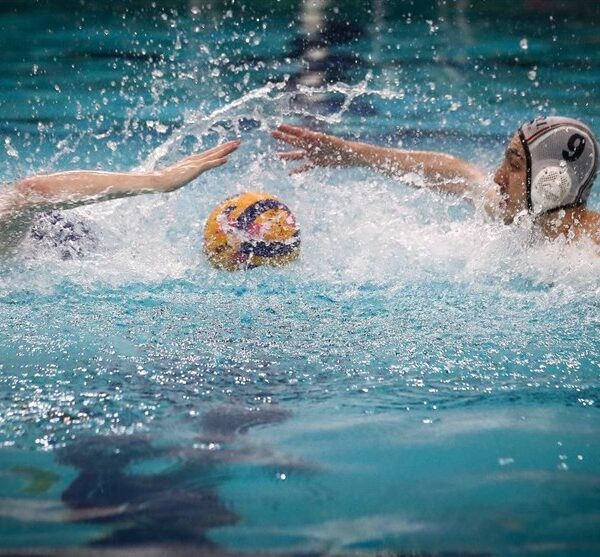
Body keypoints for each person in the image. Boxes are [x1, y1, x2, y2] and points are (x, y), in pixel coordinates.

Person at [273, 117, 600, 245]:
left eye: (513, 165)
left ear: (550, 182)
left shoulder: (589, 250)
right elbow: (452, 170)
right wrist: (352, 154)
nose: (498, 178)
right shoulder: (517, 214)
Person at [0, 140, 240, 255]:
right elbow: (31, 192)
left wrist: (157, 180)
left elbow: (30, 193)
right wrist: (158, 180)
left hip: (69, 240)